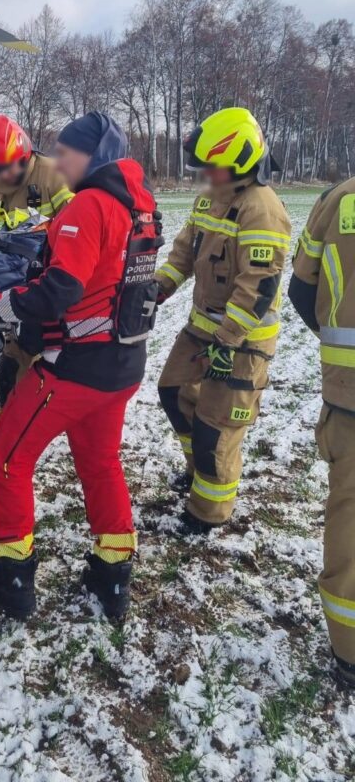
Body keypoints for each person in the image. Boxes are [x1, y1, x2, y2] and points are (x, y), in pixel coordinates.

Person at [0, 111, 161, 620]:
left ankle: (14, 585)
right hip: (122, 364)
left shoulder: (88, 206)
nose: (59, 160)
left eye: (67, 151)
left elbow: (58, 291)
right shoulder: (139, 204)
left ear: (92, 155)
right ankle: (111, 578)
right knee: (100, 462)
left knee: (7, 457)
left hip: (76, 368)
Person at [156, 107, 291, 534]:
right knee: (174, 392)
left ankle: (208, 514)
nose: (206, 176)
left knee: (218, 427)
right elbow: (183, 254)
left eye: (213, 168)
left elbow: (258, 287)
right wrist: (157, 289)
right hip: (203, 329)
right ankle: (200, 473)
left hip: (240, 341)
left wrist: (228, 340)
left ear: (241, 162)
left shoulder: (262, 210)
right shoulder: (210, 199)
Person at [289, 180, 355, 687]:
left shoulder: (340, 198)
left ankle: (350, 648)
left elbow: (300, 287)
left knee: (350, 518)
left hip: (349, 391)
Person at [0, 113, 73, 411]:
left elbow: (79, 231)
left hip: (57, 290)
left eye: (7, 169)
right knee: (11, 370)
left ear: (24, 154)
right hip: (20, 295)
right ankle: (5, 441)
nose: (3, 177)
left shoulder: (54, 177)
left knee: (63, 376)